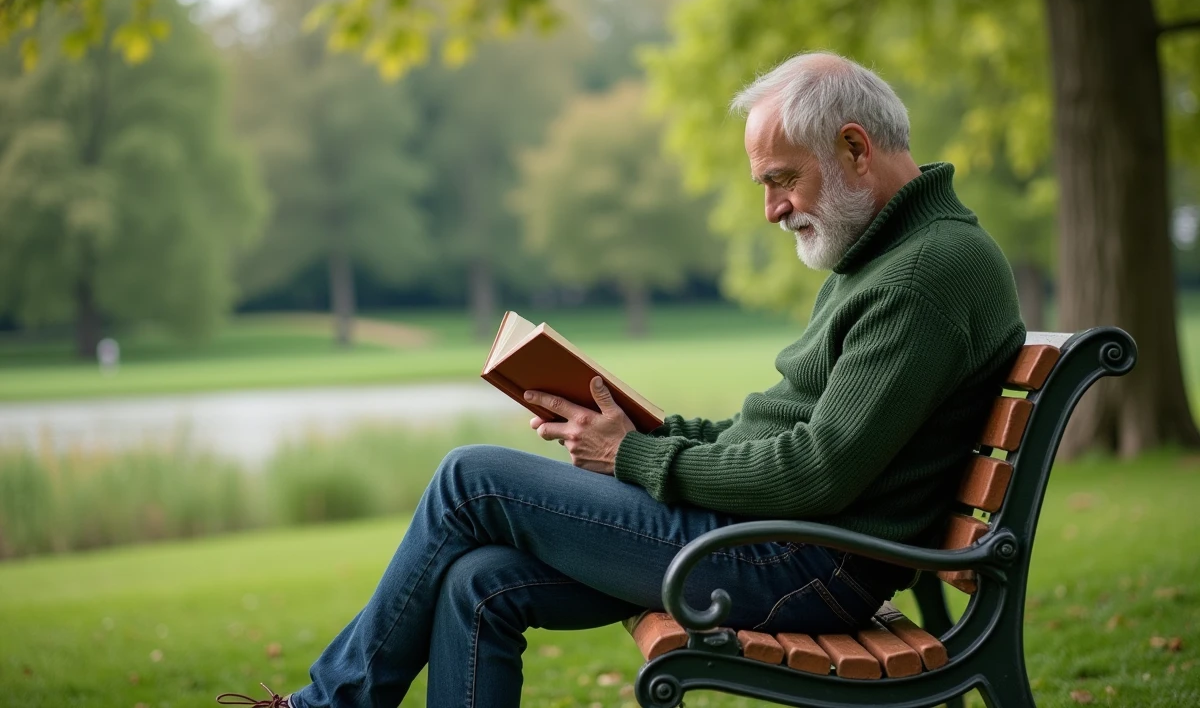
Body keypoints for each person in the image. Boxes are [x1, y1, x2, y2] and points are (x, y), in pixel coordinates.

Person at [217, 52, 1025, 708]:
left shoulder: (921, 276)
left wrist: (634, 460)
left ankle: (328, 706)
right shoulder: (891, 256)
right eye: (767, 186)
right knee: (476, 582)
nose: (773, 209)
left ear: (855, 148)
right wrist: (653, 432)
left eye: (783, 179)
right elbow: (784, 435)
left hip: (793, 569)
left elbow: (816, 468)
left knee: (469, 480)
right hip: (767, 542)